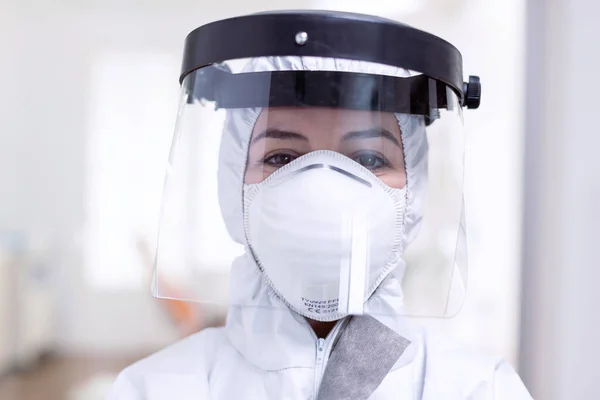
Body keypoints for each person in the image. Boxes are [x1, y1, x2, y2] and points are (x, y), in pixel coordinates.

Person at [108, 11, 532, 399]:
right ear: (233, 184)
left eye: (368, 160)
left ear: (413, 192)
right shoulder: (151, 390)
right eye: (282, 158)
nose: (322, 188)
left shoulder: (479, 389)